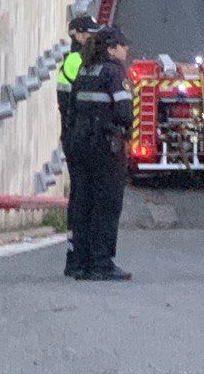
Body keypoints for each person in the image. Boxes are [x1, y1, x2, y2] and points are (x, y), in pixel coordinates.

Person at [67, 25, 134, 281]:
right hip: (106, 147)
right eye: (122, 44)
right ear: (110, 48)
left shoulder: (84, 70)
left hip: (80, 145)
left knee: (84, 203)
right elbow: (125, 112)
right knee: (107, 205)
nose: (126, 48)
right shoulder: (114, 72)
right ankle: (101, 263)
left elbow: (72, 108)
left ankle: (81, 262)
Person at [59, 14, 98, 277]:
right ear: (78, 35)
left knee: (80, 193)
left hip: (74, 135)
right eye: (90, 34)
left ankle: (77, 254)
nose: (93, 38)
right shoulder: (76, 61)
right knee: (83, 195)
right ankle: (78, 256)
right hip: (78, 136)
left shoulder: (74, 59)